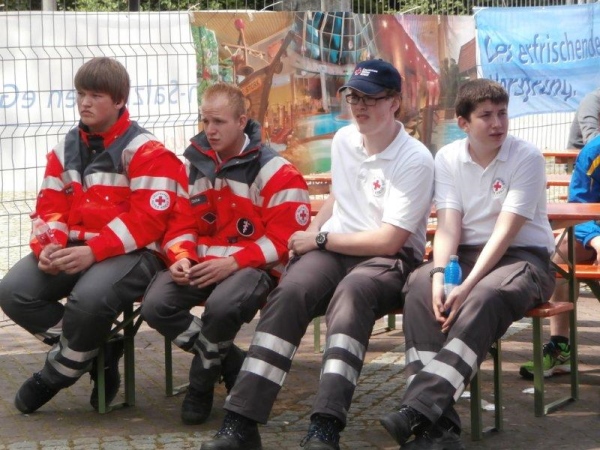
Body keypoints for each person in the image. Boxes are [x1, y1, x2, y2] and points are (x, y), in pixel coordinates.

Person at [200, 58, 435, 450]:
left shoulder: (415, 158)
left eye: (371, 98)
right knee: (289, 292)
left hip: (386, 259)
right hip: (334, 247)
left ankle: (325, 426)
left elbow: (389, 241)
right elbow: (340, 197)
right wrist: (311, 232)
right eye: (353, 97)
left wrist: (321, 241)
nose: (359, 106)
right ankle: (240, 422)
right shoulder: (344, 140)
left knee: (351, 296)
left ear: (395, 102)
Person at [379, 79, 556, 449]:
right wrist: (439, 275)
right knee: (419, 287)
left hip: (523, 258)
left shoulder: (526, 157)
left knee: (483, 296)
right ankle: (437, 431)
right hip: (468, 254)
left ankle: (417, 408)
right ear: (463, 123)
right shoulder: (448, 158)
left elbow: (505, 233)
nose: (498, 123)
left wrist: (468, 284)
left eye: (503, 113)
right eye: (486, 116)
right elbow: (448, 226)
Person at [0, 57, 182, 413]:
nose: (84, 103)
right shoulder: (64, 150)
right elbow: (50, 206)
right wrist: (47, 248)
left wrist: (94, 250)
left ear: (119, 100)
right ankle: (101, 347)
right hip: (76, 248)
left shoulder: (146, 150)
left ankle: (57, 373)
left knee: (88, 300)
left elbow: (148, 220)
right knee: (13, 292)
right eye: (81, 94)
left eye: (96, 95)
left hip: (134, 253)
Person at [140, 82, 311, 426]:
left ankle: (200, 385)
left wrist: (233, 263)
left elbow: (285, 240)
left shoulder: (277, 171)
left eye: (218, 122)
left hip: (255, 269)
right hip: (202, 265)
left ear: (242, 121)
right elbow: (179, 223)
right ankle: (231, 361)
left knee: (221, 307)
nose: (210, 130)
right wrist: (181, 257)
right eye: (205, 121)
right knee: (155, 305)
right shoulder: (193, 166)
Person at [519, 133, 600, 379]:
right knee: (560, 252)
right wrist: (596, 240)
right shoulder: (594, 152)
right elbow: (579, 208)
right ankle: (560, 347)